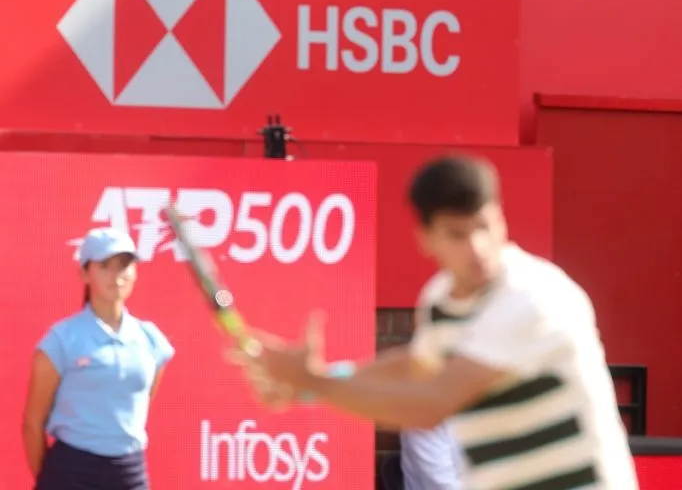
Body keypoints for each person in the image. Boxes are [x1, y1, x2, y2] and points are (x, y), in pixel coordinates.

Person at [236, 155, 639, 490]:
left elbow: (431, 404)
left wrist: (311, 382)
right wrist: (310, 384)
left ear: (500, 218)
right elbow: (415, 368)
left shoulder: (533, 298)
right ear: (425, 239)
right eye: (456, 235)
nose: (477, 248)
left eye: (484, 226)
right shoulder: (439, 299)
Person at [22, 227, 174, 490]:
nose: (116, 275)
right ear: (84, 273)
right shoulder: (61, 339)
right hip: (71, 470)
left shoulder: (151, 340)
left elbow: (141, 402)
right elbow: (33, 424)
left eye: (124, 265)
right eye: (105, 266)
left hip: (129, 471)